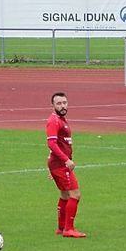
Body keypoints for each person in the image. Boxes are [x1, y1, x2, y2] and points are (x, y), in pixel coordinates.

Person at [46, 92, 86, 237]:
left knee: (64, 194)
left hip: (57, 164)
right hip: (61, 165)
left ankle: (61, 227)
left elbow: (57, 144)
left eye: (64, 103)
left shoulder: (61, 120)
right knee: (75, 194)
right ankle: (69, 229)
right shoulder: (54, 121)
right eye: (59, 103)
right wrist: (66, 160)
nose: (62, 106)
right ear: (53, 105)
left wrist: (51, 166)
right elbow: (51, 143)